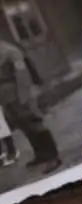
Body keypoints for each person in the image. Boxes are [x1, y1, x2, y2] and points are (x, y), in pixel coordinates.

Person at [0, 40, 61, 173]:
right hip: (7, 97)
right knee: (24, 126)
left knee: (34, 123)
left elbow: (22, 76)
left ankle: (52, 157)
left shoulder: (10, 52)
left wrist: (24, 97)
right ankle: (40, 154)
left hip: (19, 94)